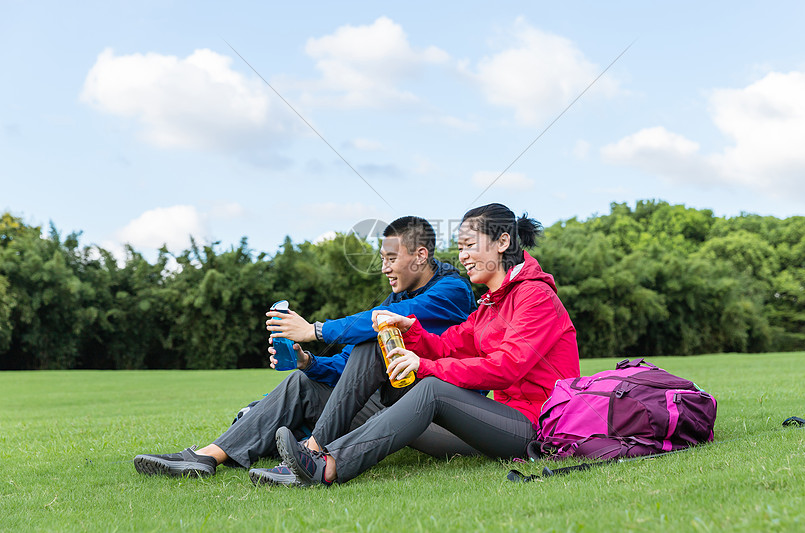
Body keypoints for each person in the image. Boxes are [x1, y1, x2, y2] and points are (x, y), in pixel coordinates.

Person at [133, 216, 477, 478]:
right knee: (302, 383)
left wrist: (315, 329)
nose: (384, 268)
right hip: (390, 409)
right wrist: (309, 361)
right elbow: (348, 365)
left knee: (370, 335)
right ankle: (208, 457)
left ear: (420, 255)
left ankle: (304, 450)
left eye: (391, 258)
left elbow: (383, 319)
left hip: (438, 421)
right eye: (382, 258)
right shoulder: (401, 294)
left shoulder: (452, 291)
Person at [266, 203, 580, 486]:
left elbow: (506, 367)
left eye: (469, 246)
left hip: (535, 428)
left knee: (432, 389)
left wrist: (425, 366)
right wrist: (411, 331)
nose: (462, 256)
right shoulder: (488, 306)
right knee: (376, 343)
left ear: (502, 243)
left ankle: (329, 466)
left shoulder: (535, 298)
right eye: (459, 248)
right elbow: (450, 344)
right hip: (494, 424)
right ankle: (314, 449)